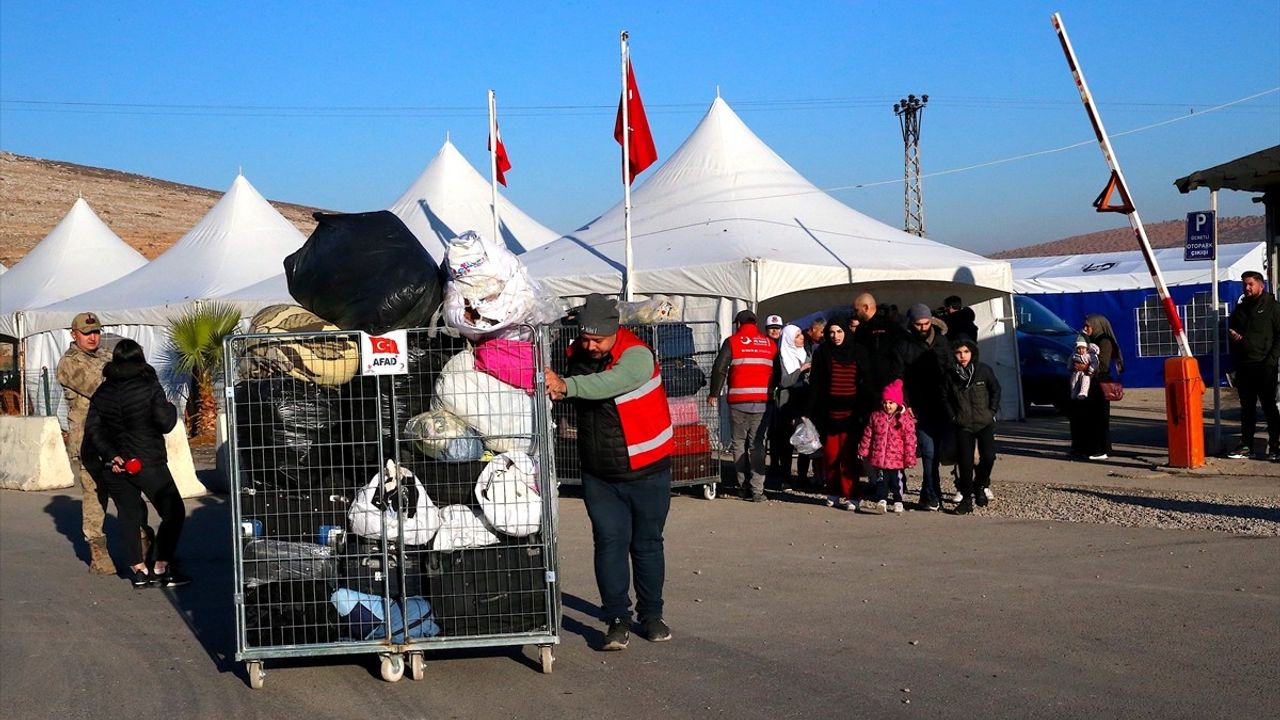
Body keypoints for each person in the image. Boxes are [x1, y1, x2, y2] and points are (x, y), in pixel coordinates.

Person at [544, 294, 675, 650]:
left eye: (597, 340)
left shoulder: (637, 356)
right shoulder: (574, 353)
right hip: (600, 472)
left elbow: (610, 384)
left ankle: (651, 615)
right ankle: (616, 619)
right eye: (584, 339)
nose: (589, 346)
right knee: (609, 544)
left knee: (647, 544)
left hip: (648, 468)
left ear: (613, 332)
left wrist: (566, 385)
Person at [82, 339, 189, 588]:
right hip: (148, 461)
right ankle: (161, 565)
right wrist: (171, 407)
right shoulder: (149, 386)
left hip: (116, 465)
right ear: (140, 358)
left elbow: (94, 431)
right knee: (173, 512)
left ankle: (138, 569)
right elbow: (166, 422)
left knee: (128, 515)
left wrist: (111, 455)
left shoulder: (103, 391)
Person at [56, 311, 117, 574]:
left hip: (115, 436)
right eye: (87, 333)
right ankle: (98, 552)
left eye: (96, 332)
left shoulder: (105, 356)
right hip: (88, 440)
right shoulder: (69, 363)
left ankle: (142, 544)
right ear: (74, 335)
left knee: (128, 491)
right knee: (95, 494)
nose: (93, 337)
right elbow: (100, 387)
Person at [707, 309, 775, 502]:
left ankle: (742, 486)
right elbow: (777, 371)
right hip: (762, 402)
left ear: (739, 324)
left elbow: (720, 367)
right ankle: (757, 490)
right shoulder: (769, 343)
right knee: (757, 445)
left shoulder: (733, 341)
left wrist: (714, 393)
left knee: (738, 443)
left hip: (738, 401)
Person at [804, 317, 869, 510]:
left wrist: (868, 408)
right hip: (829, 413)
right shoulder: (823, 352)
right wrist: (807, 411)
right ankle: (833, 492)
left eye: (839, 331)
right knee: (831, 456)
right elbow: (815, 384)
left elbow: (866, 382)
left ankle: (853, 495)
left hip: (852, 414)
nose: (835, 336)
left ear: (846, 332)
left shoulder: (858, 351)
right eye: (831, 332)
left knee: (848, 457)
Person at [895, 303, 952, 511]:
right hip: (918, 405)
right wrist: (906, 403)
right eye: (918, 324)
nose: (922, 327)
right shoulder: (904, 345)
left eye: (926, 323)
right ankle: (930, 494)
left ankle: (930, 493)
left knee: (937, 453)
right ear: (911, 324)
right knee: (928, 451)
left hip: (941, 404)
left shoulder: (942, 343)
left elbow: (949, 371)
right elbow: (899, 376)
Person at [1226, 271, 1280, 460]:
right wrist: (1235, 337)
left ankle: (1275, 446)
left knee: (1268, 407)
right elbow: (1233, 330)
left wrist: (1272, 360)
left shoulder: (1272, 307)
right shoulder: (1240, 309)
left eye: (1250, 284)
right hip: (1244, 366)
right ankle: (1246, 445)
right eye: (1245, 285)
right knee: (1247, 408)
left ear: (1260, 285)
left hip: (1265, 366)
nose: (1247, 288)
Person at [943, 338, 1000, 514]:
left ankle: (981, 485)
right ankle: (966, 499)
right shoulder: (950, 374)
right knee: (965, 462)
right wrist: (953, 417)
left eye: (966, 352)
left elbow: (995, 389)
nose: (963, 356)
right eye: (959, 352)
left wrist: (992, 411)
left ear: (972, 353)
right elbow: (944, 396)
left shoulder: (983, 370)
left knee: (989, 456)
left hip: (984, 421)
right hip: (963, 424)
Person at [1068, 314, 1123, 461]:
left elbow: (1103, 365)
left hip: (1099, 385)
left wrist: (1084, 366)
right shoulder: (1086, 341)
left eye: (1088, 326)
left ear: (1097, 326)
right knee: (1083, 418)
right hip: (1086, 385)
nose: (1085, 328)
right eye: (1084, 325)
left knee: (1098, 418)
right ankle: (1083, 448)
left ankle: (1100, 450)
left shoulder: (1104, 341)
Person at [857, 379, 917, 514]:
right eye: (885, 402)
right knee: (881, 480)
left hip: (896, 459)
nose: (887, 406)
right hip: (881, 458)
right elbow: (868, 435)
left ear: (898, 403)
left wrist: (910, 458)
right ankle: (882, 500)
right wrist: (863, 450)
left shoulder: (904, 419)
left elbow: (910, 440)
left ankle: (898, 501)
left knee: (896, 481)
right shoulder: (876, 417)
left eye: (891, 403)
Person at [767, 324, 812, 485]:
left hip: (803, 400)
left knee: (805, 438)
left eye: (801, 335)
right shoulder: (782, 357)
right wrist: (800, 370)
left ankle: (802, 476)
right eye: (798, 336)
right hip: (787, 402)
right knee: (786, 440)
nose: (802, 338)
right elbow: (784, 381)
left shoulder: (805, 353)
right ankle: (784, 476)